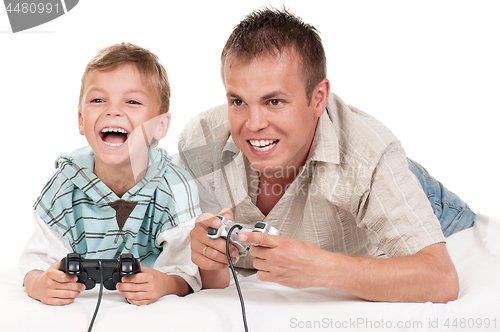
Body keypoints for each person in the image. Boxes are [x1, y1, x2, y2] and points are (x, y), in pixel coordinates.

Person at [179, 8, 475, 303]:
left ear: (318, 98)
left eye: (274, 101)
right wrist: (208, 256)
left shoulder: (370, 155)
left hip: (417, 192)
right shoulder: (200, 142)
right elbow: (190, 252)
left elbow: (440, 280)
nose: (253, 124)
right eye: (239, 101)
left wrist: (321, 269)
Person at [19, 43, 202, 306]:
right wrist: (40, 283)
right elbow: (34, 262)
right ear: (81, 120)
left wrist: (165, 283)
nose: (112, 110)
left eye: (132, 101)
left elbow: (188, 273)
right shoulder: (63, 185)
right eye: (98, 100)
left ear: (160, 125)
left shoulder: (175, 187)